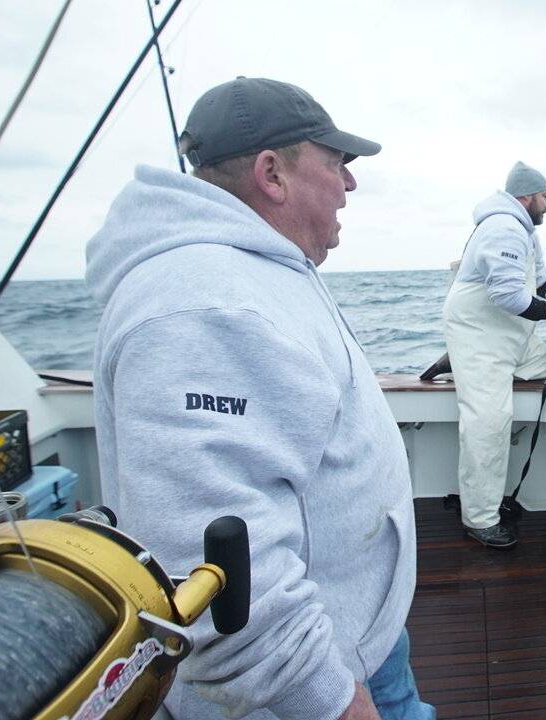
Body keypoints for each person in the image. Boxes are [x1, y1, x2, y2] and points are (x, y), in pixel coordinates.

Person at [86, 77, 433, 720]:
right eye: (336, 162)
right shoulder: (206, 304)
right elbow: (213, 564)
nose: (350, 183)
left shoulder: (254, 270)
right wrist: (331, 700)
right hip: (307, 684)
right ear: (272, 174)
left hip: (354, 628)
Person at [443, 162, 546, 549]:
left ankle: (454, 360)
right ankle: (480, 519)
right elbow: (506, 294)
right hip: (480, 335)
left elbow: (540, 284)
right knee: (489, 422)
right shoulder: (503, 227)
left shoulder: (525, 231)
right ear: (527, 196)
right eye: (545, 196)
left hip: (510, 337)